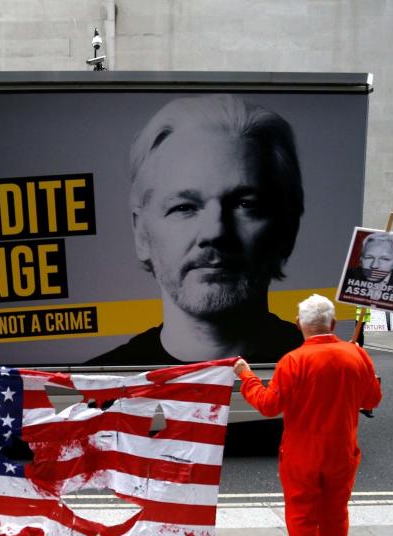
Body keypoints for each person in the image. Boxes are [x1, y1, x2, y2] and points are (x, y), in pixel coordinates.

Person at [88, 95, 304, 365]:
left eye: (245, 205)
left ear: (288, 229)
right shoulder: (98, 386)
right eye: (183, 207)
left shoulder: (328, 377)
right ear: (141, 233)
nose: (215, 233)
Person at [233, 294, 382, 536]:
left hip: (302, 453)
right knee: (336, 511)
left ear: (299, 324)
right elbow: (372, 401)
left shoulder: (293, 361)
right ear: (333, 323)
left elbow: (268, 405)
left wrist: (246, 377)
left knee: (302, 515)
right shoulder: (357, 355)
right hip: (342, 449)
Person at [340, 232, 393, 306]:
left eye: (384, 259)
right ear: (361, 259)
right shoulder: (346, 277)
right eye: (369, 257)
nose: (374, 265)